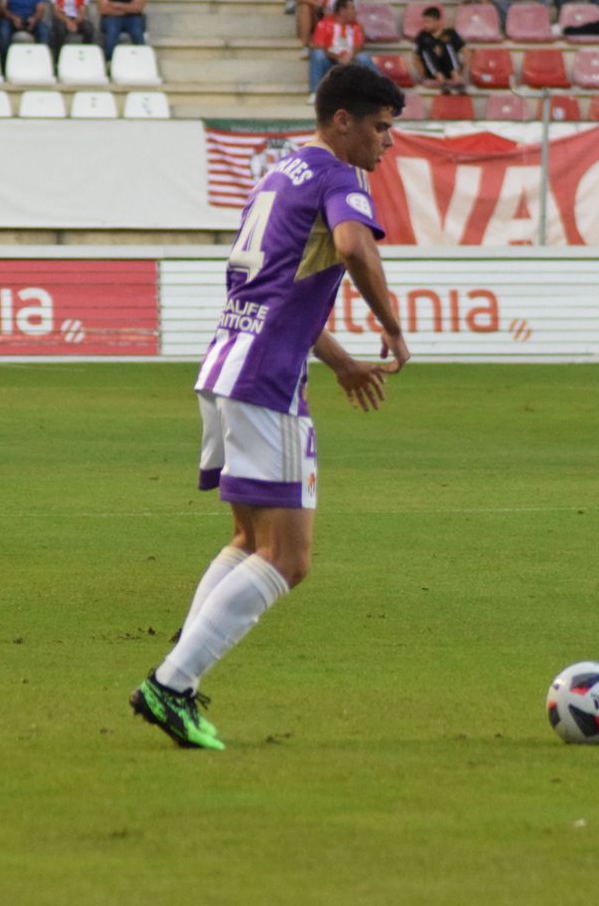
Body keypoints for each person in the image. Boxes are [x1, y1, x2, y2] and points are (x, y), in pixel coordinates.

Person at [129, 62, 409, 752]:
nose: (387, 145)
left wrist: (340, 360)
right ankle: (172, 683)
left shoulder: (283, 170)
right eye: (381, 129)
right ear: (342, 122)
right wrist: (393, 324)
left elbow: (278, 280)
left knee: (250, 542)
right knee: (288, 559)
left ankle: (182, 674)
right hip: (268, 379)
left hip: (227, 362)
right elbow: (352, 247)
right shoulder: (342, 178)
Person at [307, 0, 375, 94]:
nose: (354, 11)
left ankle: (381, 91)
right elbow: (320, 46)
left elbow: (358, 46)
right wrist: (337, 57)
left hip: (350, 61)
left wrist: (349, 56)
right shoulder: (324, 24)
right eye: (351, 8)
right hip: (330, 61)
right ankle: (315, 93)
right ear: (342, 10)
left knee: (364, 57)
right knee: (317, 54)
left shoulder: (356, 26)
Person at [411, 4, 467, 92]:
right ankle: (441, 81)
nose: (425, 25)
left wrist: (462, 70)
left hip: (451, 69)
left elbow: (465, 52)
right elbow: (416, 58)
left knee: (446, 45)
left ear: (437, 21)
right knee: (426, 47)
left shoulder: (450, 32)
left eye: (427, 21)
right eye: (424, 21)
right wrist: (422, 75)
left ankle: (456, 78)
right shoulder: (422, 36)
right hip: (432, 72)